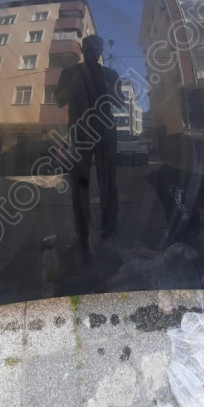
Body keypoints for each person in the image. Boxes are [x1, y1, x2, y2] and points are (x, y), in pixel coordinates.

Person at [55, 35, 124, 259]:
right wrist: (77, 81)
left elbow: (121, 101)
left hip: (105, 131)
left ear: (101, 51)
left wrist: (105, 85)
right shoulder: (70, 72)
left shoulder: (110, 74)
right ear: (83, 50)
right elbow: (59, 101)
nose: (94, 52)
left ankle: (109, 231)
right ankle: (82, 233)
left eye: (97, 48)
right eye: (89, 48)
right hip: (80, 132)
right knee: (79, 182)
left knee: (108, 181)